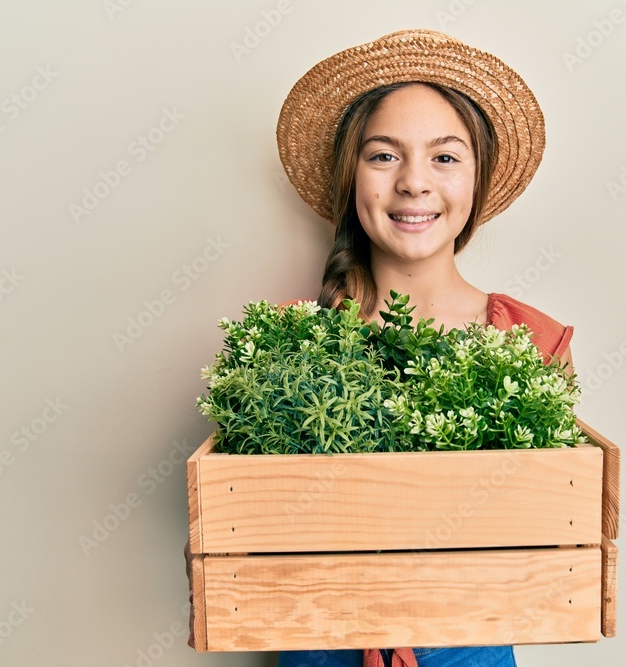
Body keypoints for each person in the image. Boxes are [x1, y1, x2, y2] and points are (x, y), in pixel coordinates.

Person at [186, 29, 575, 667]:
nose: (414, 183)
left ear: (476, 180)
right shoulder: (290, 344)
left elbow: (551, 541)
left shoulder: (529, 340)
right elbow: (249, 527)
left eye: (445, 158)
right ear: (352, 178)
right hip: (319, 644)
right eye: (384, 156)